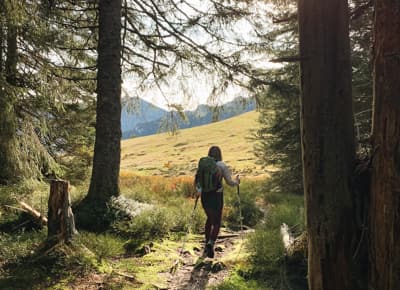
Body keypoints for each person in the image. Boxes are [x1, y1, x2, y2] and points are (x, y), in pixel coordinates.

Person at [195, 146, 240, 258]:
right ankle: (211, 242)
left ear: (209, 153)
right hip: (217, 196)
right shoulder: (222, 165)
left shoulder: (204, 165)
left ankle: (206, 243)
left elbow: (198, 181)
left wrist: (198, 192)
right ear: (219, 154)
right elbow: (229, 182)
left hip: (205, 196)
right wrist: (237, 182)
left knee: (209, 219)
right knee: (217, 222)